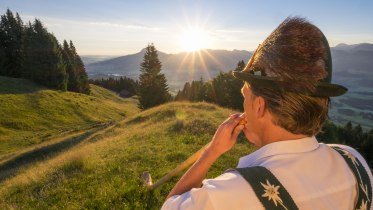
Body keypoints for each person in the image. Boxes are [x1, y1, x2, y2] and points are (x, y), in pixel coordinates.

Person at [161, 17, 373, 210]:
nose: (244, 106)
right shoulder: (354, 162)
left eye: (245, 96)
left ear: (260, 106)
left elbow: (170, 206)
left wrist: (211, 153)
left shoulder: (228, 196)